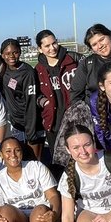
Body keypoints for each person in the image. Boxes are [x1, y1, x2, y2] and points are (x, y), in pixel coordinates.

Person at [34, 29, 78, 164]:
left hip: (74, 118)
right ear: (40, 49)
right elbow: (35, 94)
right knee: (58, 160)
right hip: (53, 121)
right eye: (46, 46)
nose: (52, 48)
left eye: (54, 43)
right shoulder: (38, 69)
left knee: (77, 156)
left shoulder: (73, 60)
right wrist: (44, 103)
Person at [0, 37, 40, 154]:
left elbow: (31, 102)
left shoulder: (27, 73)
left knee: (33, 161)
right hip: (15, 123)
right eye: (7, 53)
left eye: (15, 52)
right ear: (2, 55)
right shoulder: (2, 68)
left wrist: (31, 131)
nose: (11, 56)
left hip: (30, 123)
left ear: (20, 53)